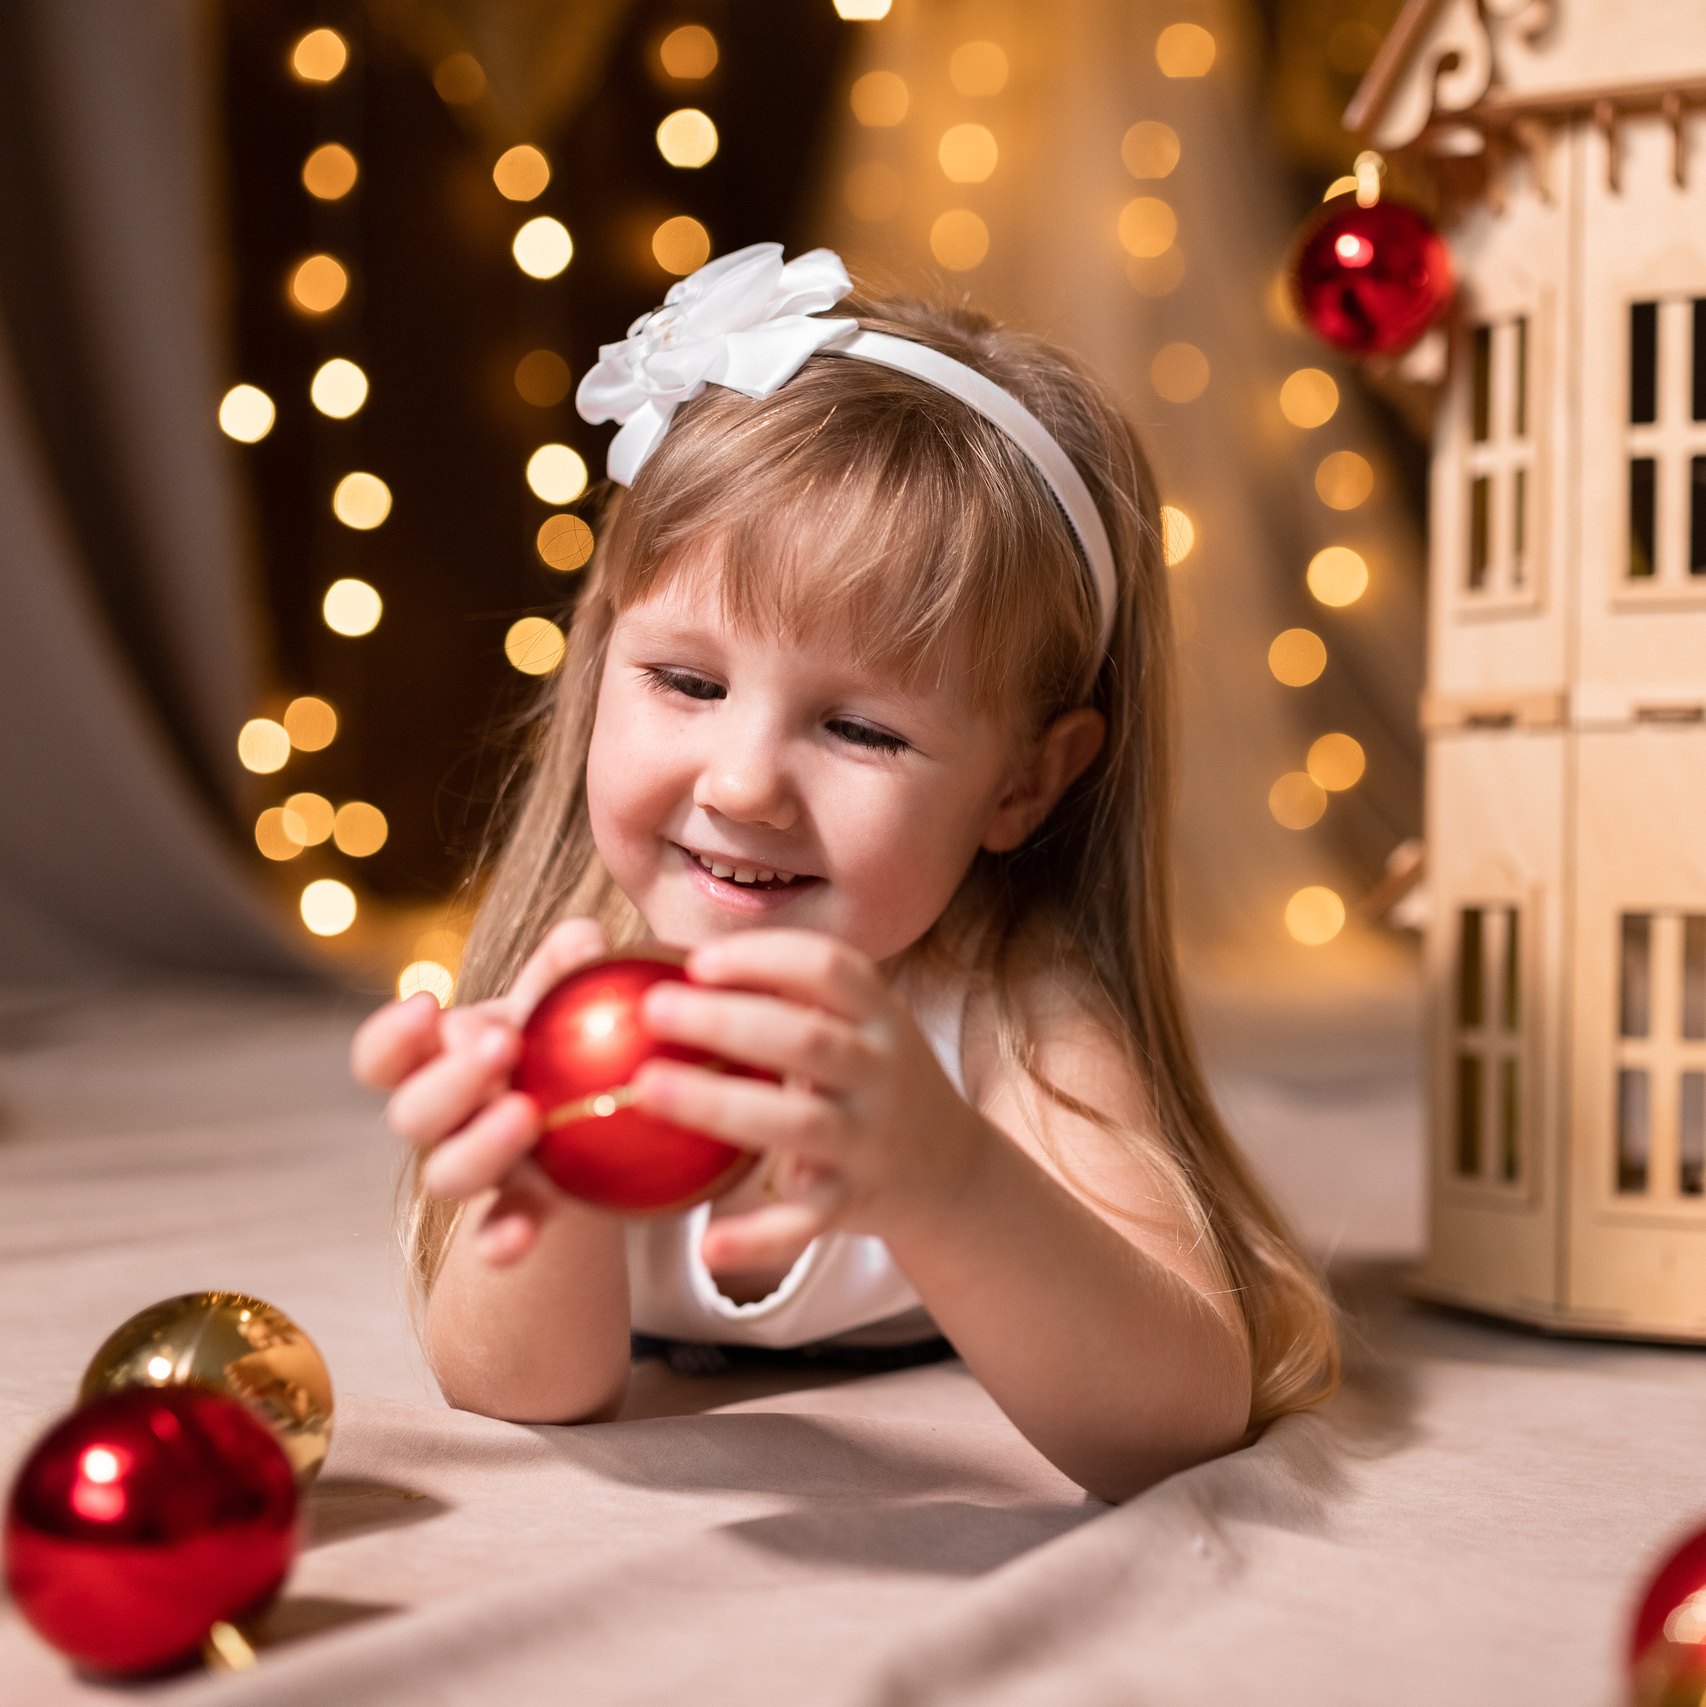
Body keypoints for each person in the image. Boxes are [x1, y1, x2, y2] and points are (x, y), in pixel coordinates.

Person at [352, 244, 1338, 1503]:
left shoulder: (1007, 1001)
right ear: (602, 653)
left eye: (860, 729)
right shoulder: (574, 975)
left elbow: (1179, 1416)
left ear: (1023, 783)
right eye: (686, 683)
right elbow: (523, 1394)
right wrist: (549, 1179)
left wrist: (946, 1178)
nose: (741, 785)